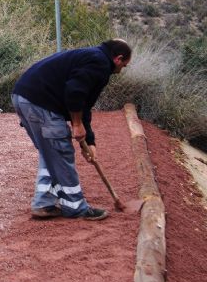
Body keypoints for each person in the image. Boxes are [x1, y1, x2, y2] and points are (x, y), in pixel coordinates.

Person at [11, 39, 132, 221]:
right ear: (118, 58)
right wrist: (76, 124)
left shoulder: (90, 56)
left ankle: (43, 203)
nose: (122, 69)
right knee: (61, 151)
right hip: (40, 103)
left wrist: (90, 142)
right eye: (124, 65)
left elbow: (84, 105)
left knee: (51, 152)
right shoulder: (100, 64)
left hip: (23, 97)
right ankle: (76, 207)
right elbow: (75, 92)